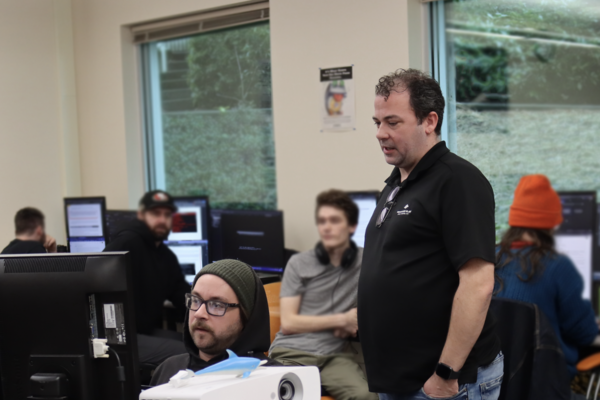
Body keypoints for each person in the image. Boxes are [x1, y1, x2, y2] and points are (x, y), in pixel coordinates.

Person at [358, 68, 502, 400]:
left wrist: (446, 374)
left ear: (429, 121)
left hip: (443, 382)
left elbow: (478, 285)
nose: (380, 133)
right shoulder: (397, 183)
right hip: (397, 378)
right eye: (377, 123)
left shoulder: (457, 181)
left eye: (393, 123)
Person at [269, 189, 376, 400]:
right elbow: (289, 323)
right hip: (292, 352)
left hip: (334, 356)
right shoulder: (299, 264)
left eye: (335, 220)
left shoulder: (368, 262)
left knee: (366, 396)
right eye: (323, 221)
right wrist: (342, 319)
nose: (327, 227)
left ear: (352, 226)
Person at [495, 174, 598, 379]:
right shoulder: (557, 266)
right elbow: (585, 334)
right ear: (551, 225)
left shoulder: (490, 258)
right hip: (546, 382)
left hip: (494, 381)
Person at [150, 259, 276, 385]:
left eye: (217, 305)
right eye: (196, 300)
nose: (199, 313)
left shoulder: (275, 381)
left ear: (247, 315)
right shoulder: (169, 370)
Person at [104, 190, 189, 365]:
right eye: (155, 214)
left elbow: (180, 293)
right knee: (186, 352)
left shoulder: (165, 256)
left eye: (167, 215)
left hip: (144, 331)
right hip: (117, 336)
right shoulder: (127, 243)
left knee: (196, 343)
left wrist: (206, 305)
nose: (162, 220)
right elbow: (98, 281)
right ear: (141, 215)